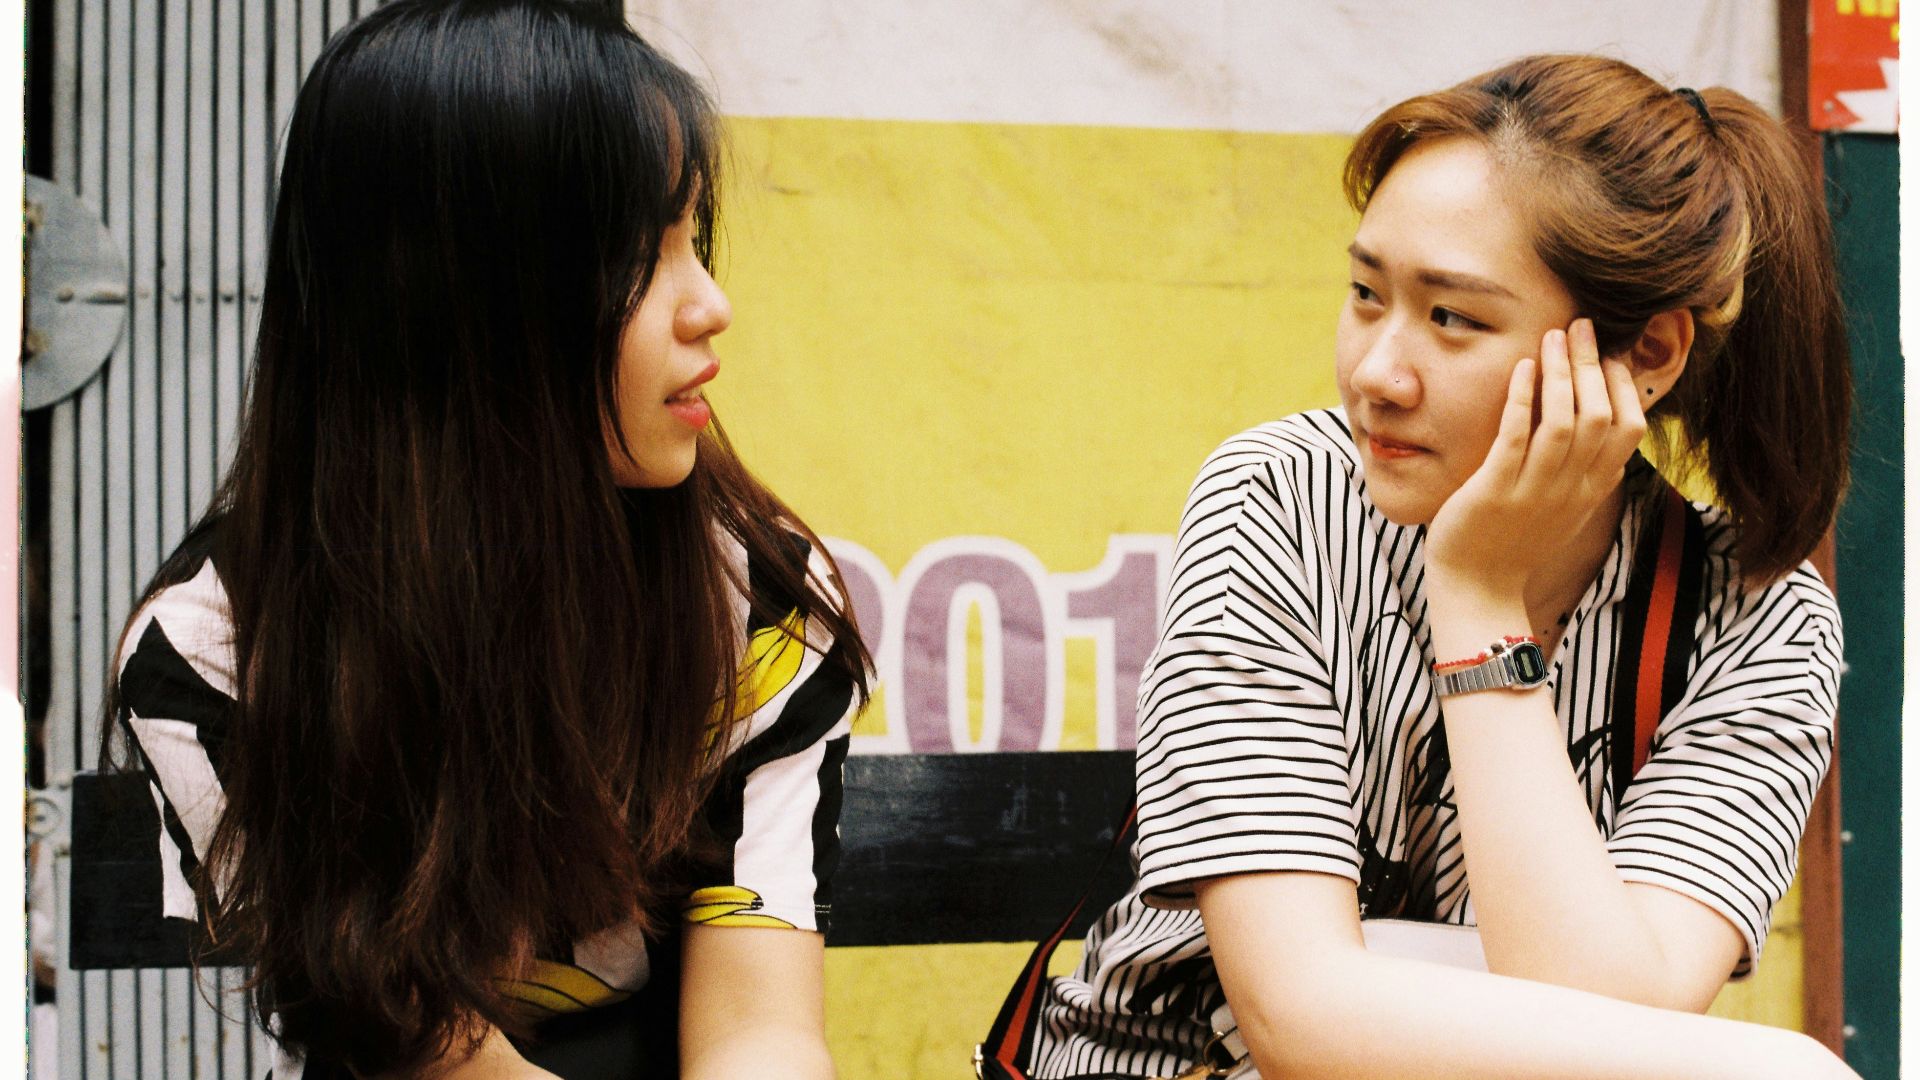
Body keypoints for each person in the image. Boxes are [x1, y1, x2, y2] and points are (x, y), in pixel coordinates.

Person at [1028, 55, 1859, 1079]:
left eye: (1452, 317)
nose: (1377, 372)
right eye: (1365, 293)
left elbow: (1610, 1029)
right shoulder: (1281, 498)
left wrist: (1477, 600)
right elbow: (1294, 1017)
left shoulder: (1760, 621)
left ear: (1646, 353)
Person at [104, 2, 868, 1077]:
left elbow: (762, 1031)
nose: (712, 305)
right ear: (452, 301)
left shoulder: (758, 599)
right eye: (640, 254)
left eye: (693, 238)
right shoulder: (215, 658)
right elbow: (437, 1055)